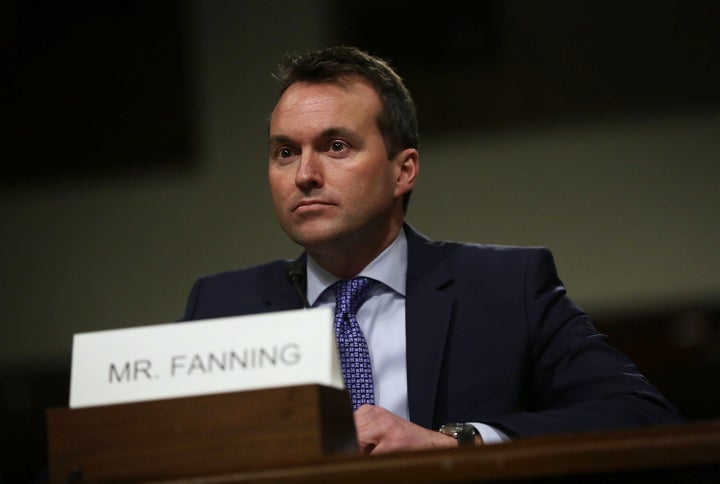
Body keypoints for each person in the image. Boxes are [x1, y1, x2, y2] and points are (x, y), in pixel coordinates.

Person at [181, 45, 683, 454]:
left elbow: (642, 414)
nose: (305, 175)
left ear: (404, 171)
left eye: (336, 146)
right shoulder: (223, 307)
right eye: (285, 152)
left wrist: (456, 441)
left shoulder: (507, 288)